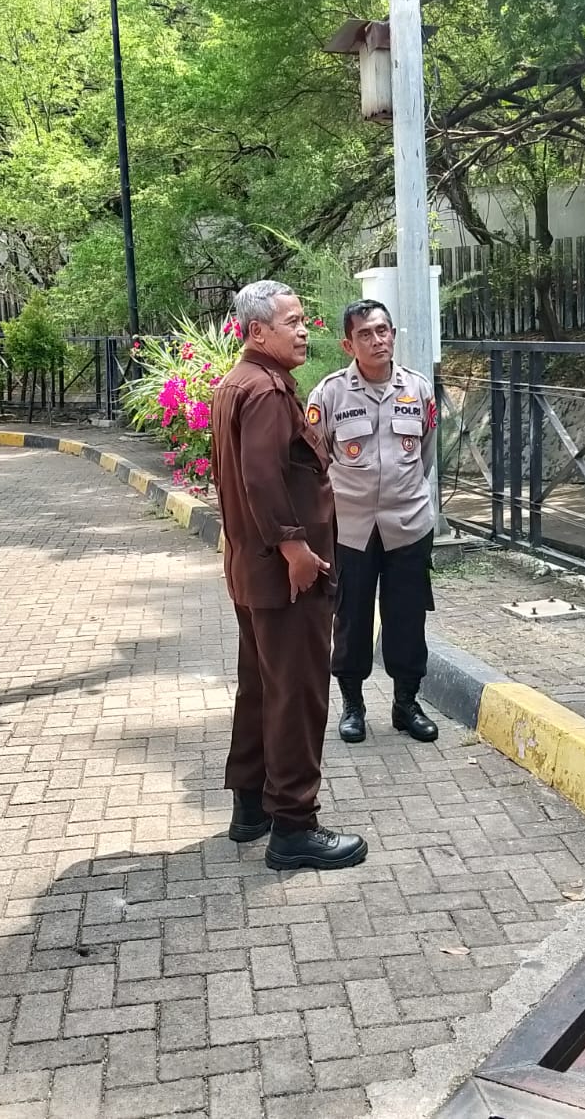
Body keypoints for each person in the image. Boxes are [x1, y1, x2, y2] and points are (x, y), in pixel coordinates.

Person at [209, 280, 368, 870]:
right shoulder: (267, 391)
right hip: (286, 575)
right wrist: (295, 546)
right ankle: (294, 827)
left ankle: (251, 806)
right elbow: (261, 476)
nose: (304, 331)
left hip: (253, 570)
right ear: (257, 331)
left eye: (304, 320)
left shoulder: (238, 383)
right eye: (292, 322)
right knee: (297, 694)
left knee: (261, 688)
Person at [306, 299, 439, 746]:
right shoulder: (328, 395)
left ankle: (406, 704)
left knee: (408, 617)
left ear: (393, 334)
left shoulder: (418, 389)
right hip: (351, 528)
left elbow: (425, 454)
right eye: (365, 334)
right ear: (348, 344)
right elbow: (315, 462)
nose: (377, 340)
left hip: (408, 525)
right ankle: (353, 706)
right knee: (351, 618)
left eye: (383, 330)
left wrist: (401, 495)